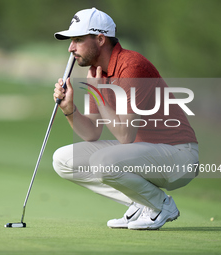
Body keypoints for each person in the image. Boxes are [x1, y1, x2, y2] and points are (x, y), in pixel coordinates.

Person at [52, 7, 199, 230]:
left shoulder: (132, 66)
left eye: (78, 39)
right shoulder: (97, 71)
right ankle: (142, 202)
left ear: (100, 39)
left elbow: (125, 135)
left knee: (103, 162)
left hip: (178, 155)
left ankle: (159, 205)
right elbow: (92, 132)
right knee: (63, 159)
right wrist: (69, 109)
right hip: (142, 153)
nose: (71, 48)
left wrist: (98, 93)